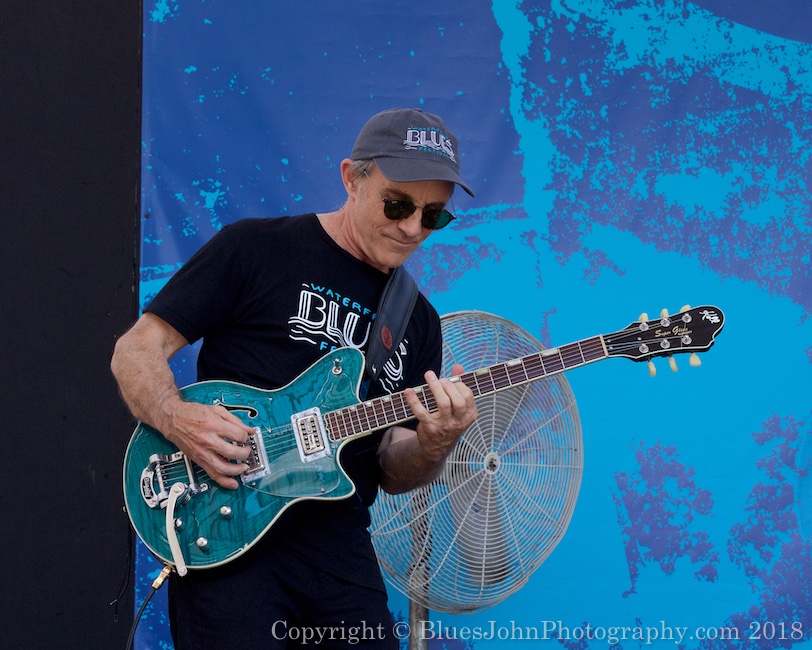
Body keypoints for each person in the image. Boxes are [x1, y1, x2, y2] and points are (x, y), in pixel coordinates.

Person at [112, 107, 478, 649]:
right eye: (398, 204)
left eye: (433, 216)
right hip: (229, 529)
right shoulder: (257, 249)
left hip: (338, 554)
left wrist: (436, 442)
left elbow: (392, 469)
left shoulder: (417, 320)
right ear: (352, 177)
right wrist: (176, 417)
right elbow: (136, 348)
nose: (411, 229)